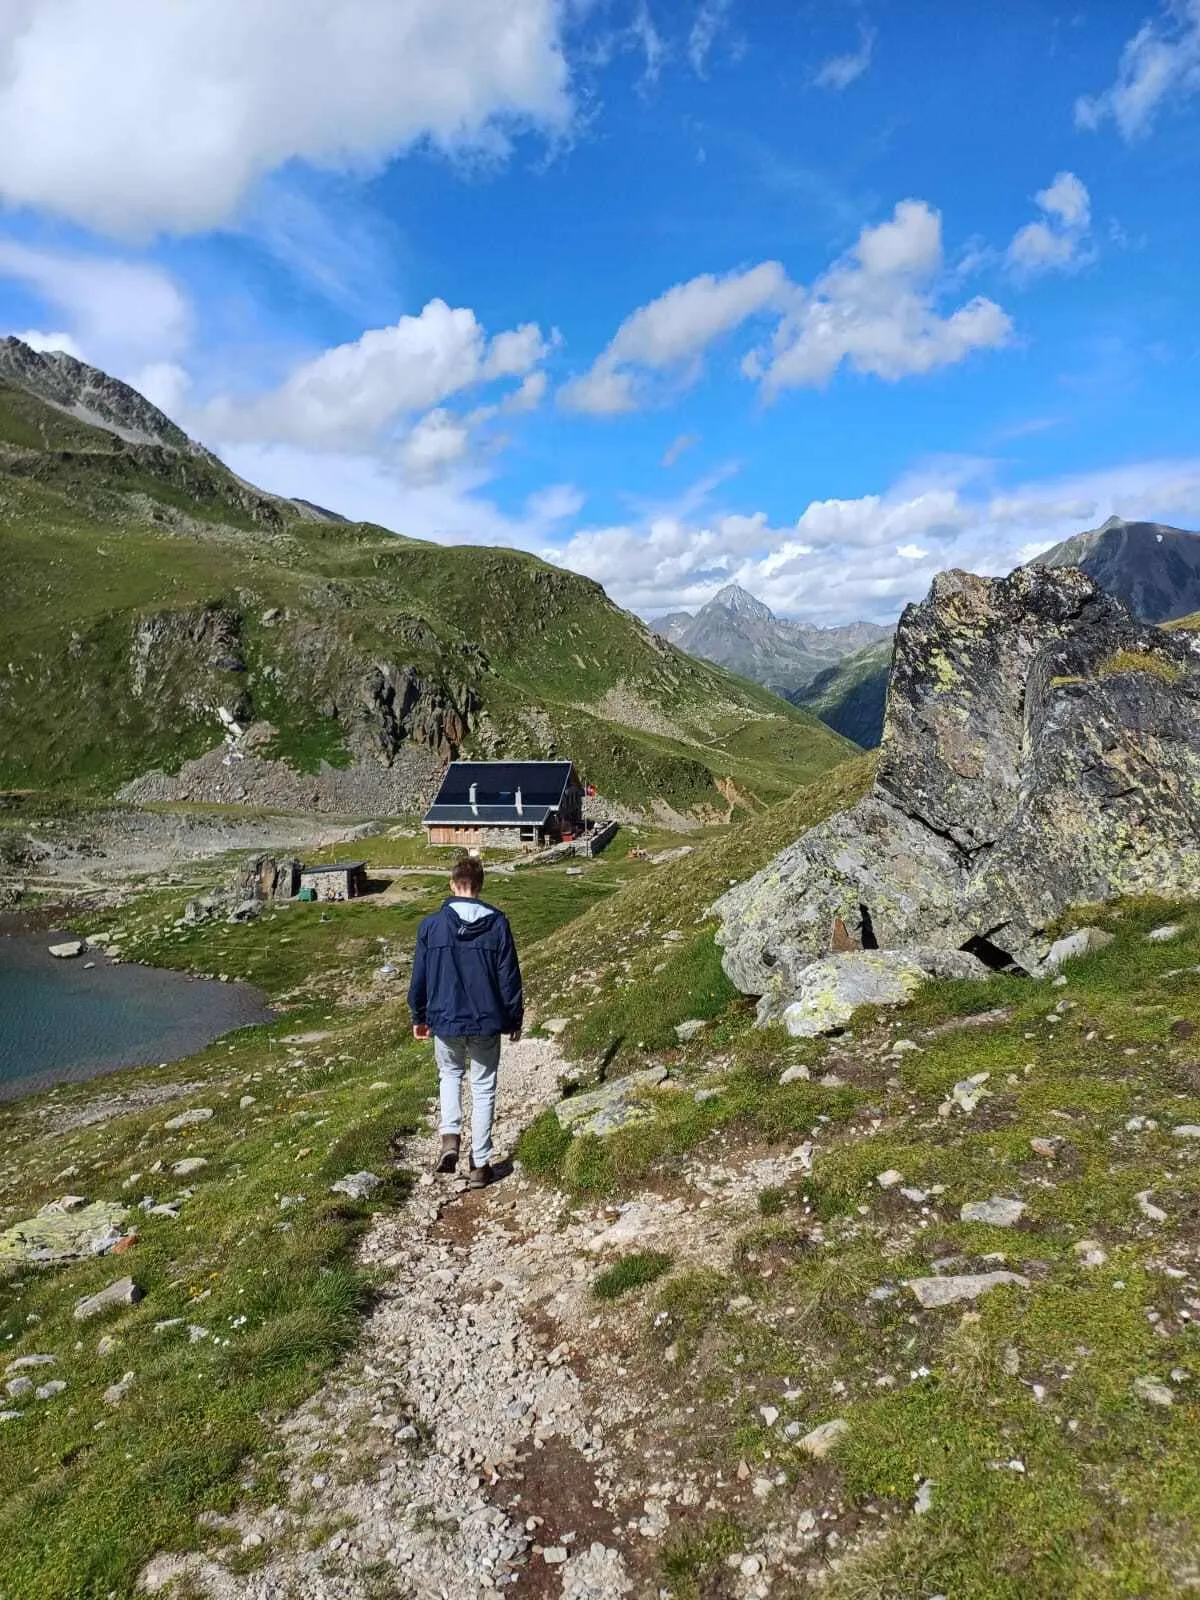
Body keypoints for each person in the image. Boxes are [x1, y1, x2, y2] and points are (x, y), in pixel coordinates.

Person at [407, 854, 523, 1189]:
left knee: (449, 1074)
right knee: (483, 1085)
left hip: (445, 1020)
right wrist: (513, 1017)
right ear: (479, 886)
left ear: (452, 884)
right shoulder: (498, 923)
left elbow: (420, 977)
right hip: (487, 1020)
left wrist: (419, 1015)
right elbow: (509, 978)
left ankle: (450, 1138)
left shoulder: (431, 925)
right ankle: (481, 1162)